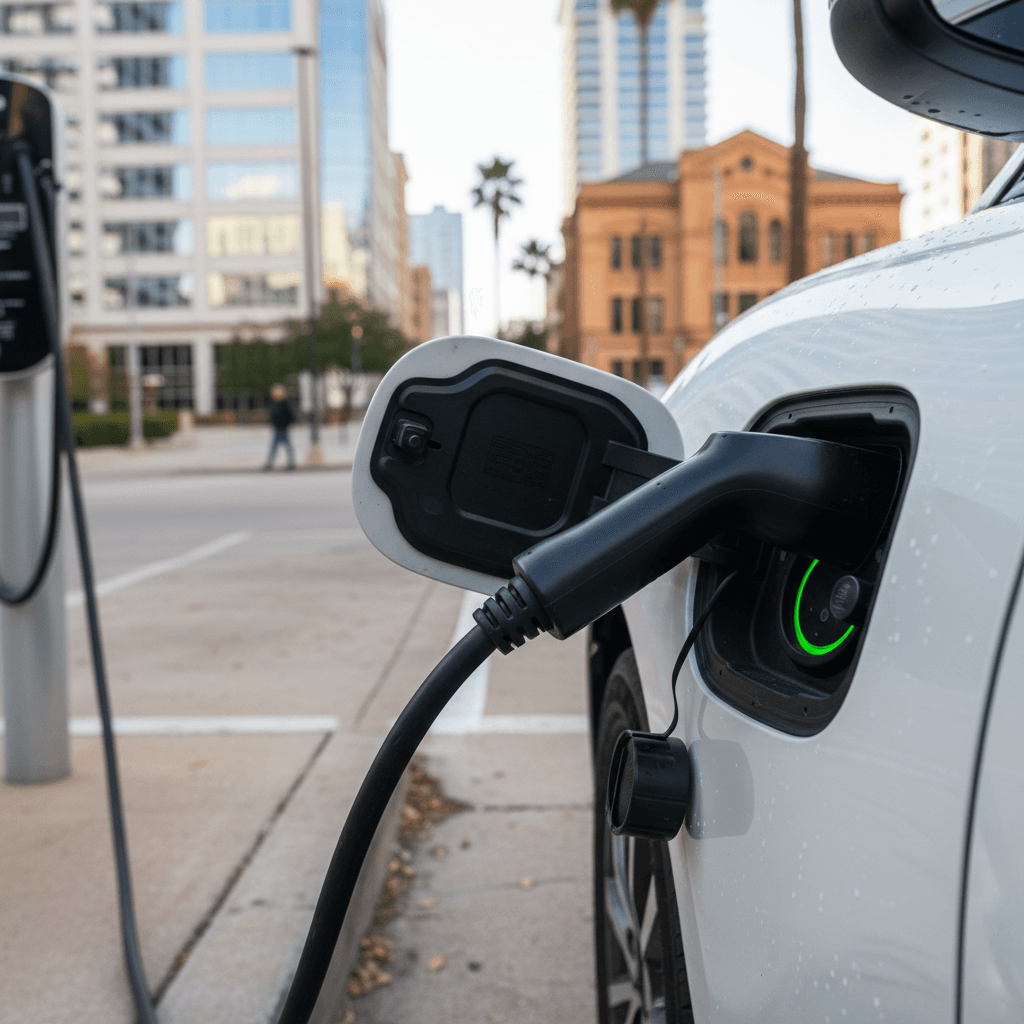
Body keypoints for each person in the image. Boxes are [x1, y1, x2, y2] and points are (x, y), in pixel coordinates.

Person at [263, 383, 296, 470]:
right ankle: (270, 464)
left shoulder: (284, 403)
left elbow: (290, 415)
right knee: (277, 446)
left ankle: (290, 463)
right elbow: (272, 415)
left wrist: (286, 423)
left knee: (283, 446)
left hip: (283, 427)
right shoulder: (273, 403)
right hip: (277, 427)